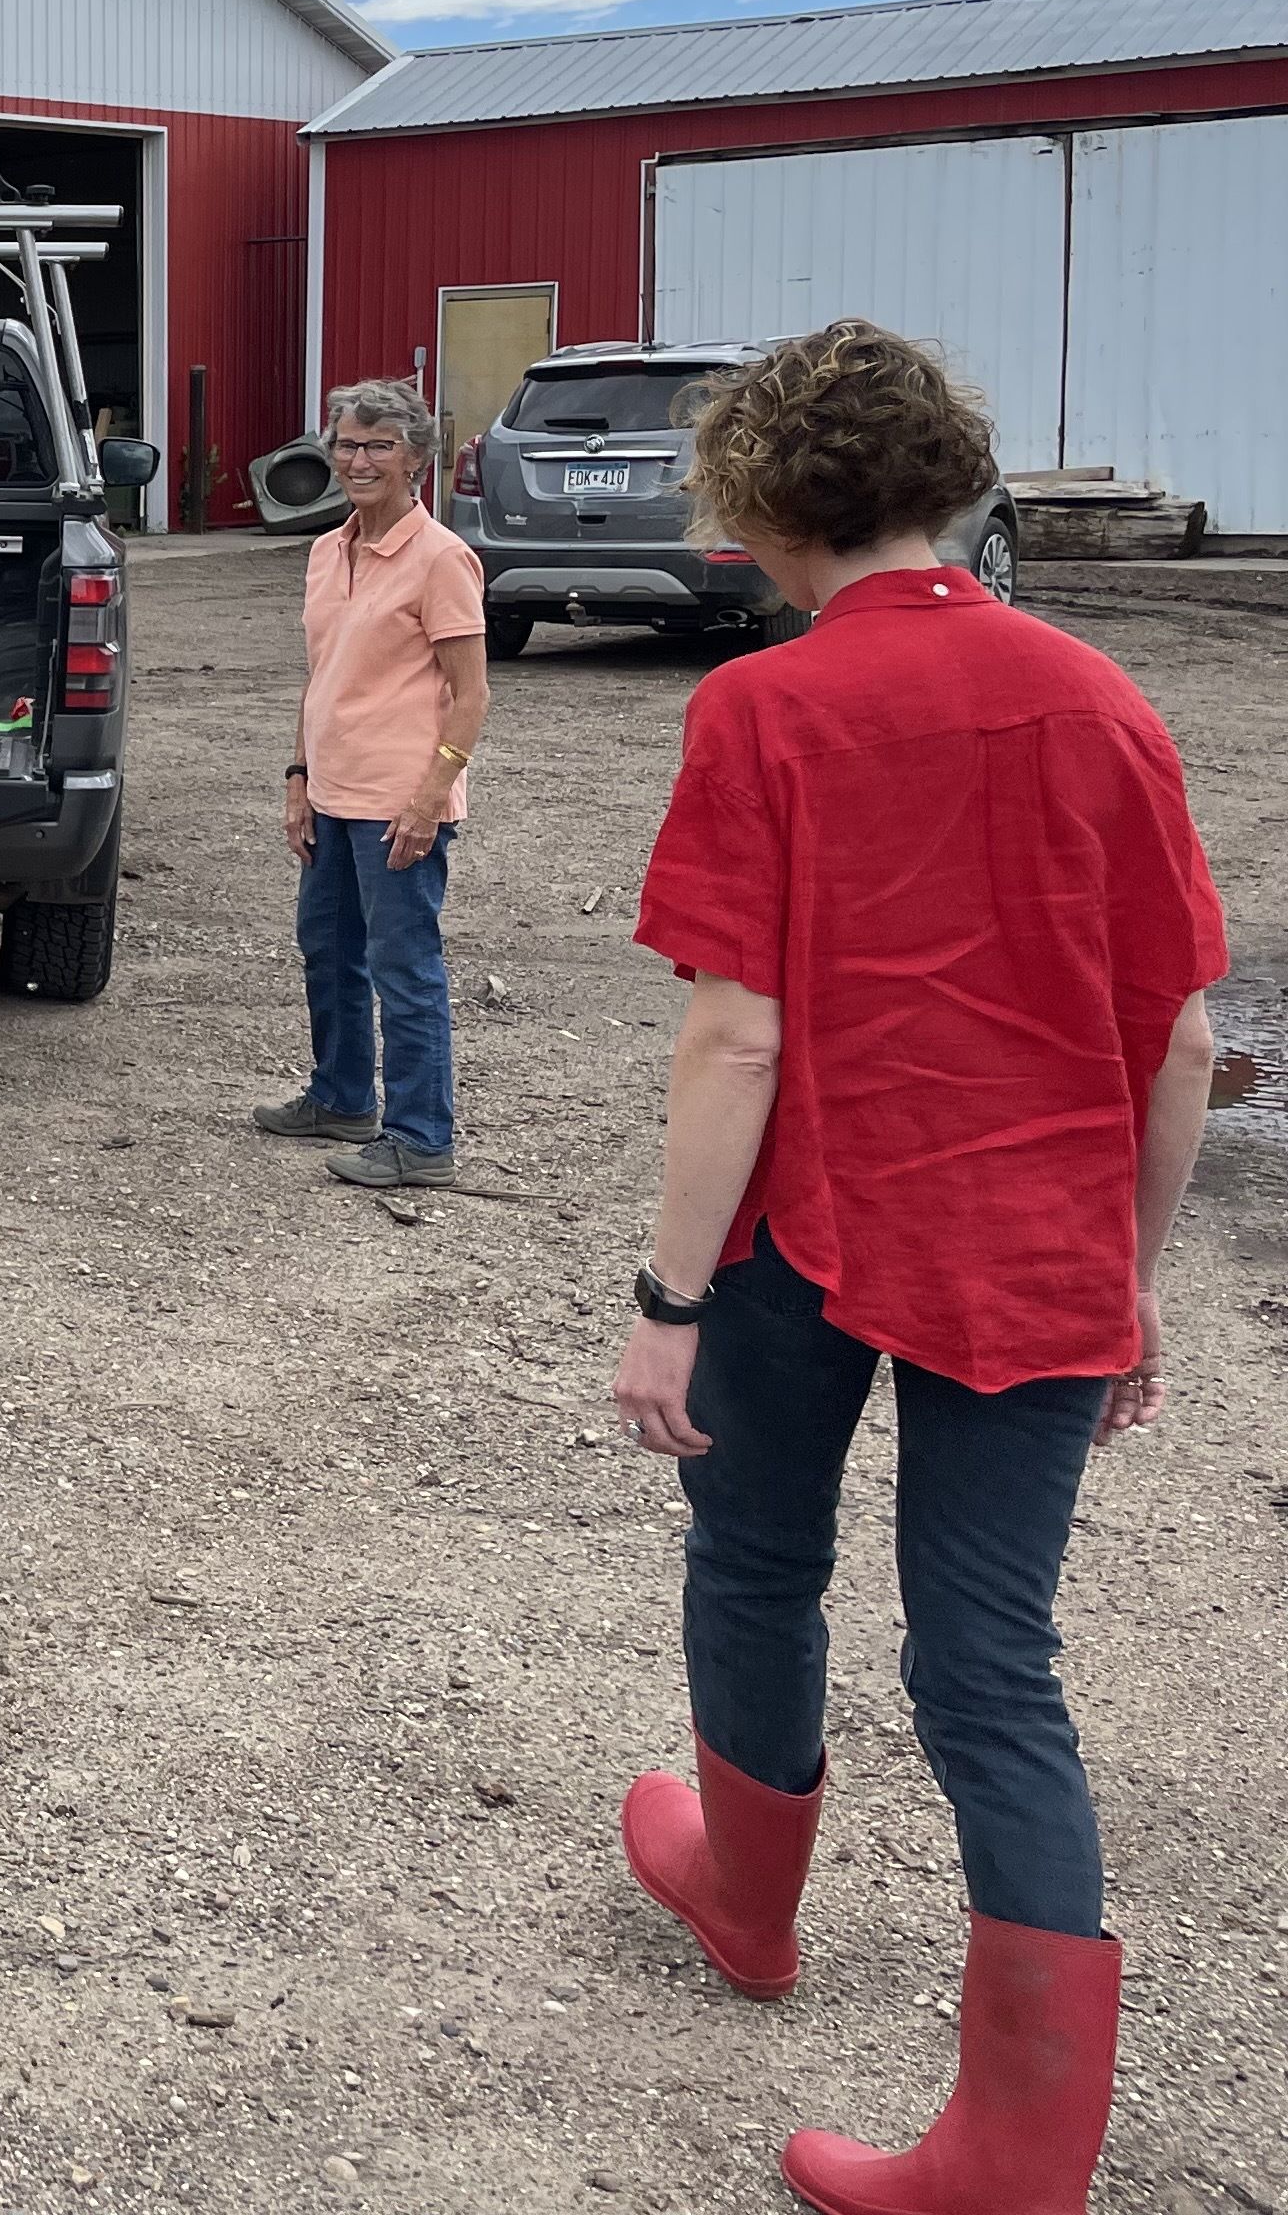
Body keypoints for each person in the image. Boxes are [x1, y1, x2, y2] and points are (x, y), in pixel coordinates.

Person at [603, 321, 1221, 2215]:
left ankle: (748, 1902)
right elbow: (1176, 1037)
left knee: (755, 1558)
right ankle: (1019, 2157)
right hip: (1036, 1249)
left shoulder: (764, 710)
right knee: (990, 1666)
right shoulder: (1098, 698)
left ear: (765, 504)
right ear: (947, 481)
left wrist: (665, 1300)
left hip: (809, 1236)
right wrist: (1127, 1279)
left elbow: (739, 1039)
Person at [253, 378, 488, 1189]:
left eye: (378, 446)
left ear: (416, 458)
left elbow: (471, 694)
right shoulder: (327, 550)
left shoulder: (441, 558)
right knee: (328, 952)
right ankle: (341, 1097)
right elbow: (321, 678)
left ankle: (421, 1140)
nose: (359, 460)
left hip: (398, 804)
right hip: (330, 796)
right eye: (347, 444)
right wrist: (298, 778)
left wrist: (431, 797)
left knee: (403, 968)